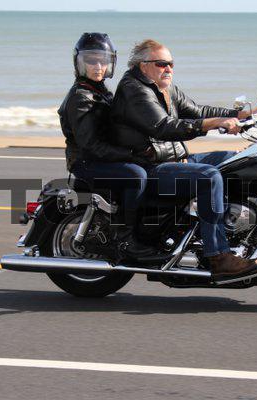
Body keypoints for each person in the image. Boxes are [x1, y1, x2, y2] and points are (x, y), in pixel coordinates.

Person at [110, 39, 257, 280]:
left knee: (234, 160)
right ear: (143, 66)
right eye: (162, 63)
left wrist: (241, 114)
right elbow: (163, 127)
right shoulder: (134, 90)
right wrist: (214, 124)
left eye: (171, 64)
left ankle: (241, 228)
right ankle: (218, 255)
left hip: (175, 158)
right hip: (150, 166)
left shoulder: (164, 88)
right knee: (209, 177)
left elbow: (198, 111)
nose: (169, 69)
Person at [58, 32, 156, 260]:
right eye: (91, 61)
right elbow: (91, 146)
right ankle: (126, 239)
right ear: (80, 63)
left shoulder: (100, 91)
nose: (98, 66)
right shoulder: (81, 97)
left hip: (101, 157)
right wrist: (131, 155)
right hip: (86, 161)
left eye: (103, 61)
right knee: (136, 175)